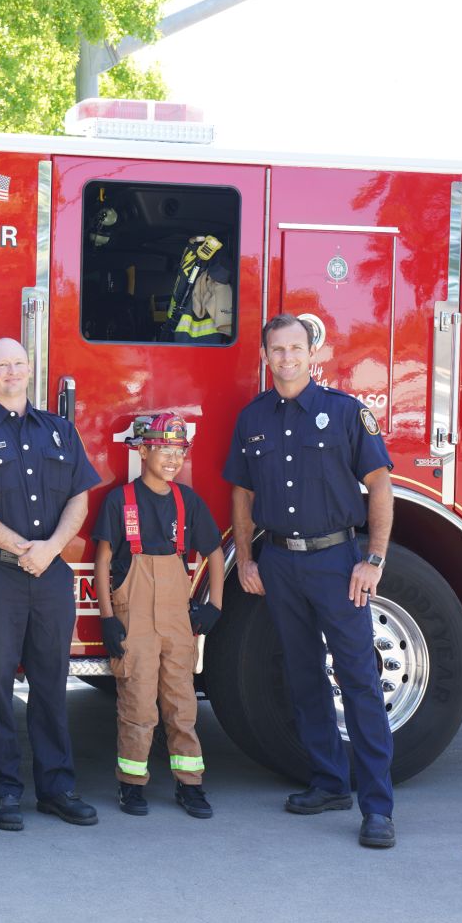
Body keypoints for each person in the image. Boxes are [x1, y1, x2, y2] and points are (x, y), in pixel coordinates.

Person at [223, 313, 397, 849]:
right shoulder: (252, 418)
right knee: (302, 676)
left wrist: (374, 559)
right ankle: (328, 783)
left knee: (359, 681)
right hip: (280, 563)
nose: (286, 358)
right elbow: (243, 496)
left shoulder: (345, 413)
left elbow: (380, 485)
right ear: (265, 356)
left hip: (338, 563)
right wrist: (248, 559)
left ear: (311, 353)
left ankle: (377, 808)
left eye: (295, 348)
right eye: (277, 350)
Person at [0, 338, 101, 831]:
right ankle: (2, 792)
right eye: (2, 365)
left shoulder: (60, 431)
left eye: (19, 363)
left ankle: (57, 788)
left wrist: (51, 548)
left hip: (50, 573)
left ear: (30, 369)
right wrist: (24, 548)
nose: (12, 372)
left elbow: (79, 498)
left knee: (51, 684)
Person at [92, 413, 225, 818]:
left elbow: (215, 554)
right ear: (143, 450)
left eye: (178, 451)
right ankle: (131, 785)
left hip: (175, 613)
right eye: (163, 450)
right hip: (133, 615)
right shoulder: (121, 501)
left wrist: (215, 604)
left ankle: (191, 785)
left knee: (182, 703)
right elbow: (102, 561)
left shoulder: (188, 501)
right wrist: (107, 617)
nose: (171, 459)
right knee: (137, 704)